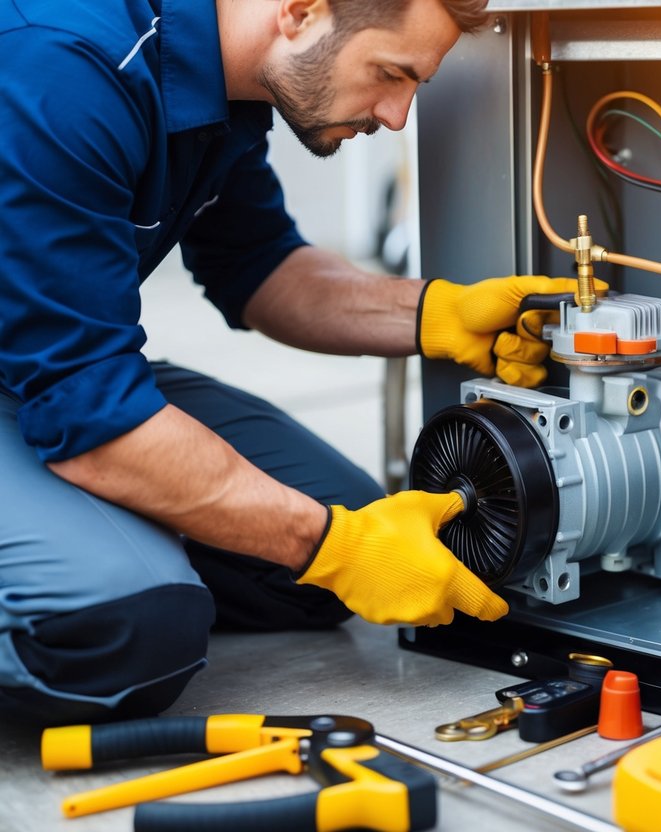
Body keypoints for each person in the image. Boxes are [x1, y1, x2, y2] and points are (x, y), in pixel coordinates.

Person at [0, 0, 581, 726]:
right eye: (390, 74)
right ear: (301, 10)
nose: (398, 116)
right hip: (63, 373)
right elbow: (89, 406)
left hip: (51, 362)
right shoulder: (61, 69)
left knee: (317, 568)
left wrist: (434, 314)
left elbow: (257, 264)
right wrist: (331, 546)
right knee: (117, 630)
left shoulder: (225, 88)